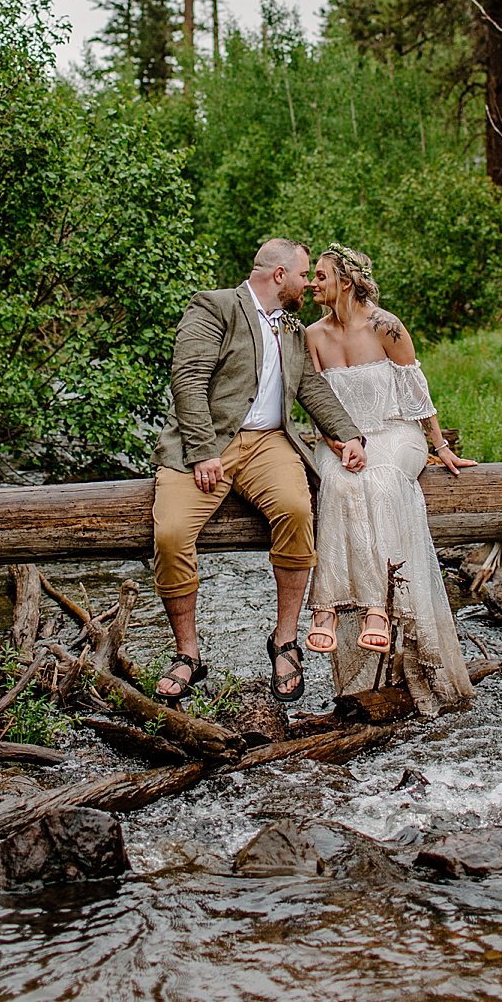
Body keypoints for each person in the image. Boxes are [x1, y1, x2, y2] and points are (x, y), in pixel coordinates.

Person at [151, 237, 367, 707]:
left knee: (295, 510)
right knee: (170, 534)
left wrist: (349, 435)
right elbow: (187, 380)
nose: (309, 283)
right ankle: (187, 653)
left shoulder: (291, 326)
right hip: (208, 442)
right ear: (279, 276)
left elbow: (311, 386)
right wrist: (203, 450)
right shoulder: (215, 307)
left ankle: (284, 641)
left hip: (270, 443)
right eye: (304, 274)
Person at [303, 243, 475, 717]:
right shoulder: (312, 335)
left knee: (379, 482)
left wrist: (441, 448)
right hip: (339, 439)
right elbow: (315, 402)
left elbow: (418, 395)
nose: (312, 283)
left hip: (394, 433)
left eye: (320, 275)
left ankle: (381, 604)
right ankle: (328, 608)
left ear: (347, 279)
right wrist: (340, 443)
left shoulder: (386, 326)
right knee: (337, 485)